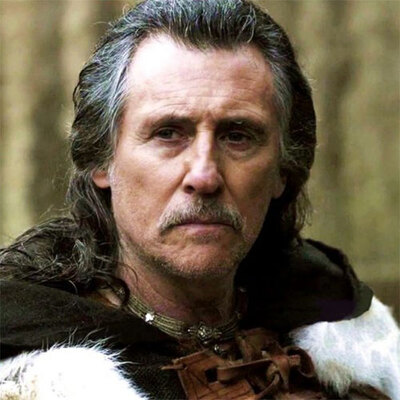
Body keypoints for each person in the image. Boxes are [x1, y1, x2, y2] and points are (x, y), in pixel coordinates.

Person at [0, 0, 399, 399]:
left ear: (283, 168)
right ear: (102, 159)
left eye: (237, 136)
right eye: (168, 133)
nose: (204, 176)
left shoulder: (343, 327)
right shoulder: (33, 368)